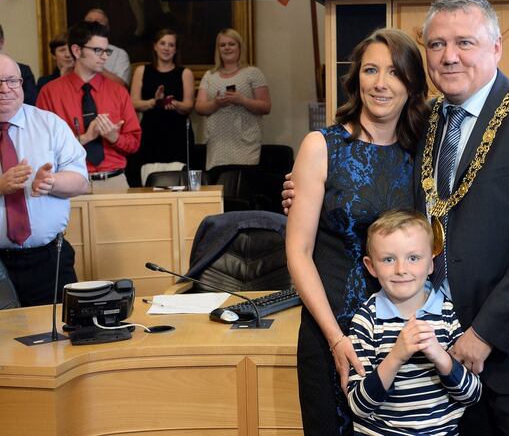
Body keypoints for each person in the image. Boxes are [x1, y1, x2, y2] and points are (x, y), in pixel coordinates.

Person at [285, 0, 509, 435]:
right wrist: (301, 189)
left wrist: (484, 334)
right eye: (437, 44)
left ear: (496, 47)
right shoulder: (429, 124)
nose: (449, 56)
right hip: (441, 355)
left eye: (464, 42)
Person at [285, 28, 428, 434]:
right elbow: (297, 252)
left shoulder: (423, 151)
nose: (381, 83)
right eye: (370, 70)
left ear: (412, 84)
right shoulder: (321, 145)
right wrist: (335, 338)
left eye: (394, 73)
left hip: (402, 331)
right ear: (356, 79)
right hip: (332, 328)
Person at [348, 209, 481, 435]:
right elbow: (358, 406)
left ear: (431, 264)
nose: (401, 270)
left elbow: (472, 394)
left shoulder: (447, 311)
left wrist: (441, 357)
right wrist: (397, 355)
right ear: (371, 266)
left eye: (413, 258)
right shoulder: (367, 319)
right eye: (389, 259)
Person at [0, 53, 89, 307]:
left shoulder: (50, 125)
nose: (5, 89)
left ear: (21, 84)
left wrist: (52, 182)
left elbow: (81, 181)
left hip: (48, 260)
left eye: (12, 81)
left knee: (58, 339)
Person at [37, 21, 141, 191]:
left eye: (107, 51)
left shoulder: (118, 92)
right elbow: (43, 148)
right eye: (98, 50)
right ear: (77, 51)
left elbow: (134, 143)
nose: (105, 57)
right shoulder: (50, 93)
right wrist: (84, 138)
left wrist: (115, 137)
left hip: (113, 182)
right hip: (68, 183)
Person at [195, 29, 271, 173]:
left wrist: (241, 100)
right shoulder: (209, 75)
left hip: (246, 146)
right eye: (222, 45)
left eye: (231, 44)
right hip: (217, 146)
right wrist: (216, 103)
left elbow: (266, 106)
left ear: (239, 47)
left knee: (241, 189)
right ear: (218, 49)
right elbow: (199, 107)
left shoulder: (253, 73)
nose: (227, 48)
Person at [127, 29, 195, 187]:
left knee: (179, 181)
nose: (166, 48)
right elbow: (133, 103)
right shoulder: (141, 71)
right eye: (162, 43)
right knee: (147, 180)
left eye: (171, 45)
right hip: (150, 133)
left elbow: (189, 106)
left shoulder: (185, 73)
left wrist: (175, 104)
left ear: (176, 49)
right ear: (155, 47)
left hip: (177, 133)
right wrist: (154, 102)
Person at [84, 8, 131, 86]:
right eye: (89, 21)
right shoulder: (75, 50)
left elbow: (121, 87)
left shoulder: (119, 54)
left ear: (107, 27)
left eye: (98, 21)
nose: (93, 24)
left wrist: (97, 67)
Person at [0, 24, 37, 105]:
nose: (5, 89)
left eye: (12, 81)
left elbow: (30, 101)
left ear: (1, 42)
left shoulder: (23, 71)